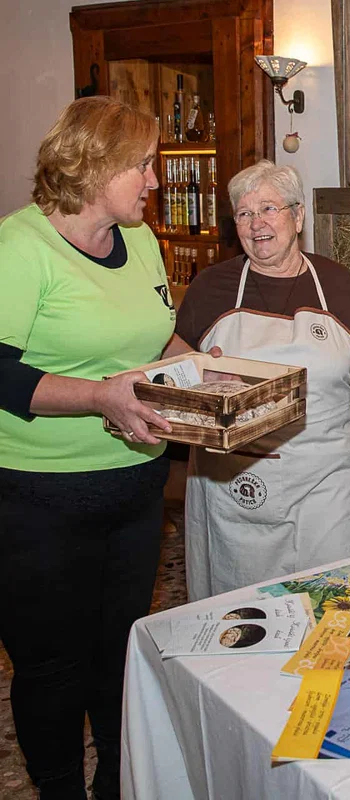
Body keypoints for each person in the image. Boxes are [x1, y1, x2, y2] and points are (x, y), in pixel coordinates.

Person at [0, 96, 186, 799]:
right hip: (36, 499)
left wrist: (208, 369)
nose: (156, 180)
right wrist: (100, 395)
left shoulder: (138, 238)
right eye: (143, 164)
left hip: (135, 491)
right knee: (52, 669)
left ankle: (116, 782)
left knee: (118, 656)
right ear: (93, 165)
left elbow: (152, 337)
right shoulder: (20, 248)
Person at [175, 160, 350, 600]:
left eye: (269, 209)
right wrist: (199, 373)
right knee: (238, 611)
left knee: (331, 602)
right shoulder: (211, 287)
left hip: (324, 483)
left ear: (298, 215)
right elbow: (171, 361)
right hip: (232, 486)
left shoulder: (336, 284)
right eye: (245, 214)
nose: (258, 225)